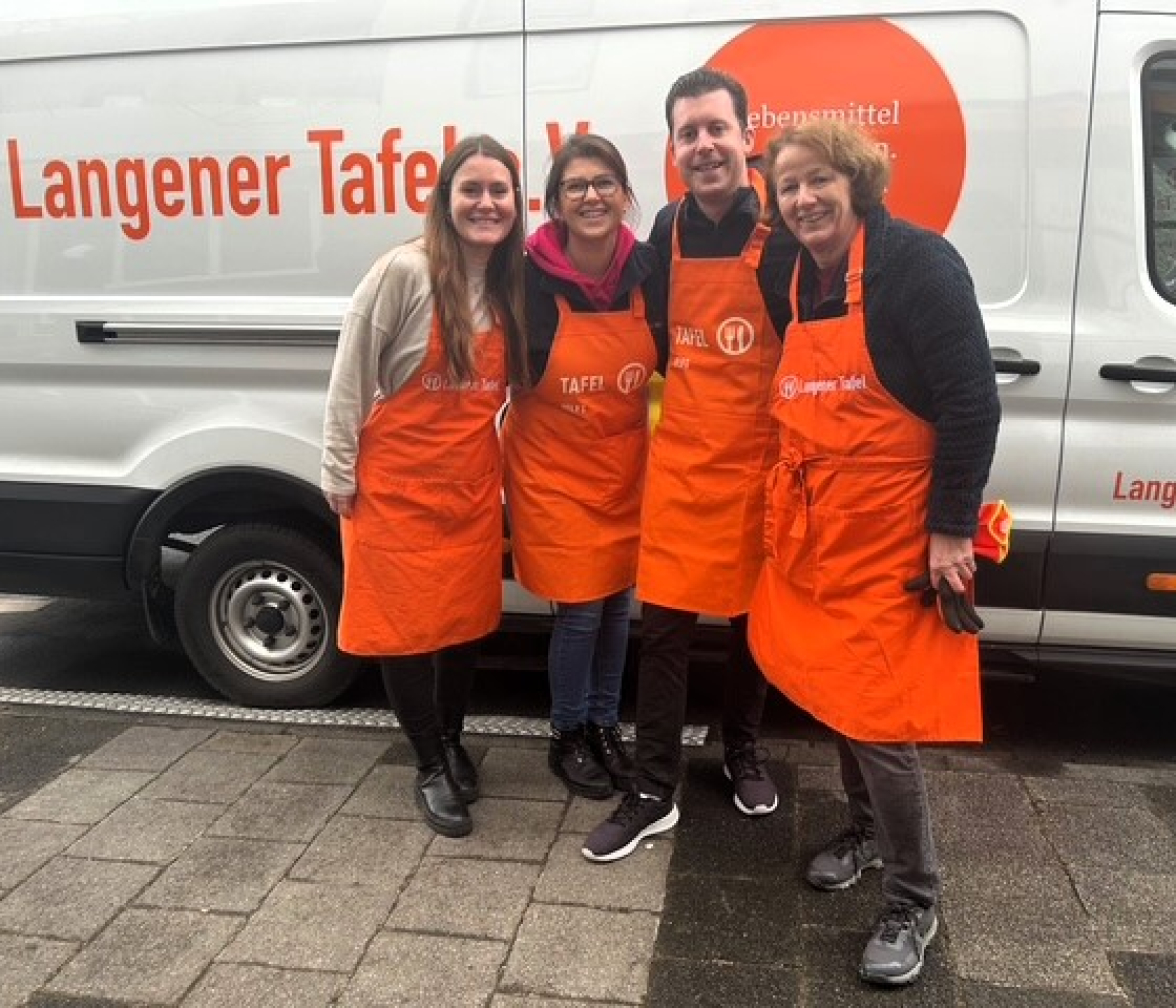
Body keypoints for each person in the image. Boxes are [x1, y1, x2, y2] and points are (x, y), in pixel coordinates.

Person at [748, 119, 1001, 986]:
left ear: (858, 182)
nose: (804, 199)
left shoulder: (919, 267)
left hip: (894, 538)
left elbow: (973, 404)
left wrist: (951, 531)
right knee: (834, 694)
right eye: (788, 188)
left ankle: (914, 896)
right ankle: (859, 832)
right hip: (819, 536)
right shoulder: (788, 272)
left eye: (818, 180)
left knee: (882, 721)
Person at [582, 68, 796, 862]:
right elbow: (642, 329)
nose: (703, 145)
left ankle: (741, 752)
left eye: (716, 128)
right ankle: (653, 788)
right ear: (673, 149)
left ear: (748, 135)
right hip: (682, 463)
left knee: (752, 629)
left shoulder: (784, 229)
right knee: (664, 629)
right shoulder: (666, 231)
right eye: (688, 133)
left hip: (760, 463)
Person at [321, 135, 527, 839]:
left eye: (498, 190)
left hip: (467, 489)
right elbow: (351, 374)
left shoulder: (507, 282)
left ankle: (453, 736)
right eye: (471, 189)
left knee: (462, 627)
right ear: (444, 200)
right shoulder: (404, 272)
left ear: (514, 205)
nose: (486, 203)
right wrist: (337, 471)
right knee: (405, 632)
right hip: (396, 489)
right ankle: (430, 763)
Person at [504, 134, 667, 798]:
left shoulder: (650, 270)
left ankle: (605, 726)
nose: (592, 195)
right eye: (576, 186)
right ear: (555, 204)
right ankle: (567, 733)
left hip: (626, 468)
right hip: (552, 472)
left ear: (626, 196)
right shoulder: (525, 276)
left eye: (604, 183)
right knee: (577, 611)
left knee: (616, 606)